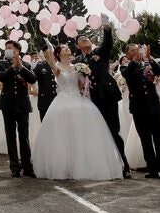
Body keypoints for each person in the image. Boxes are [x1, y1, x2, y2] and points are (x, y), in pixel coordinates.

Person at [32, 42, 124, 180]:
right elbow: (52, 64)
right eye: (63, 48)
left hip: (78, 98)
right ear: (58, 53)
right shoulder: (57, 67)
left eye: (67, 48)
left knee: (81, 134)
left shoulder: (77, 66)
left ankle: (85, 164)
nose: (67, 49)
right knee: (63, 135)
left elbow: (80, 85)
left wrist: (85, 76)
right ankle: (65, 166)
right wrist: (50, 50)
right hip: (63, 101)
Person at [75, 23, 130, 178]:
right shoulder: (77, 62)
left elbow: (108, 43)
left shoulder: (100, 52)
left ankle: (124, 165)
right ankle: (102, 164)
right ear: (78, 46)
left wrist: (106, 28)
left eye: (86, 37)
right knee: (96, 133)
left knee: (113, 131)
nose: (85, 39)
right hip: (89, 100)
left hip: (107, 96)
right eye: (81, 39)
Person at [121, 44, 160, 179]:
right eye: (133, 51)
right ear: (127, 54)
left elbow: (159, 72)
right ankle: (152, 168)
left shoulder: (148, 64)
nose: (136, 53)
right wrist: (135, 60)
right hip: (138, 106)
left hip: (154, 104)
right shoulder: (125, 66)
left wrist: (149, 59)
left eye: (138, 50)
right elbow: (127, 75)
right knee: (145, 139)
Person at [0, 40, 37, 178]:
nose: (7, 50)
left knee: (24, 135)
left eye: (10, 48)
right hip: (7, 103)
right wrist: (13, 66)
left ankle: (27, 167)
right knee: (10, 135)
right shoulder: (1, 64)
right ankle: (14, 167)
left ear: (17, 50)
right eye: (6, 48)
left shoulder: (26, 64)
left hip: (23, 103)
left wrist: (21, 66)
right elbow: (2, 77)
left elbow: (32, 79)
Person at [33, 55, 57, 122]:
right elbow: (32, 79)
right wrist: (31, 70)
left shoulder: (60, 65)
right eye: (49, 50)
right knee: (45, 125)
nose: (51, 53)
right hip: (45, 101)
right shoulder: (40, 66)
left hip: (58, 100)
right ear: (44, 53)